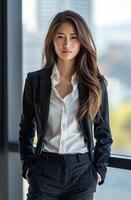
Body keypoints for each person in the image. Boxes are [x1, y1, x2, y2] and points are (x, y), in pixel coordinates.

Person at [19, 10, 113, 200]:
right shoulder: (35, 81)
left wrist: (97, 173)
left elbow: (104, 134)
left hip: (82, 173)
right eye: (60, 37)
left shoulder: (95, 84)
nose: (67, 44)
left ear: (82, 41)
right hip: (44, 171)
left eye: (74, 37)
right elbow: (26, 128)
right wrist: (29, 169)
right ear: (52, 40)